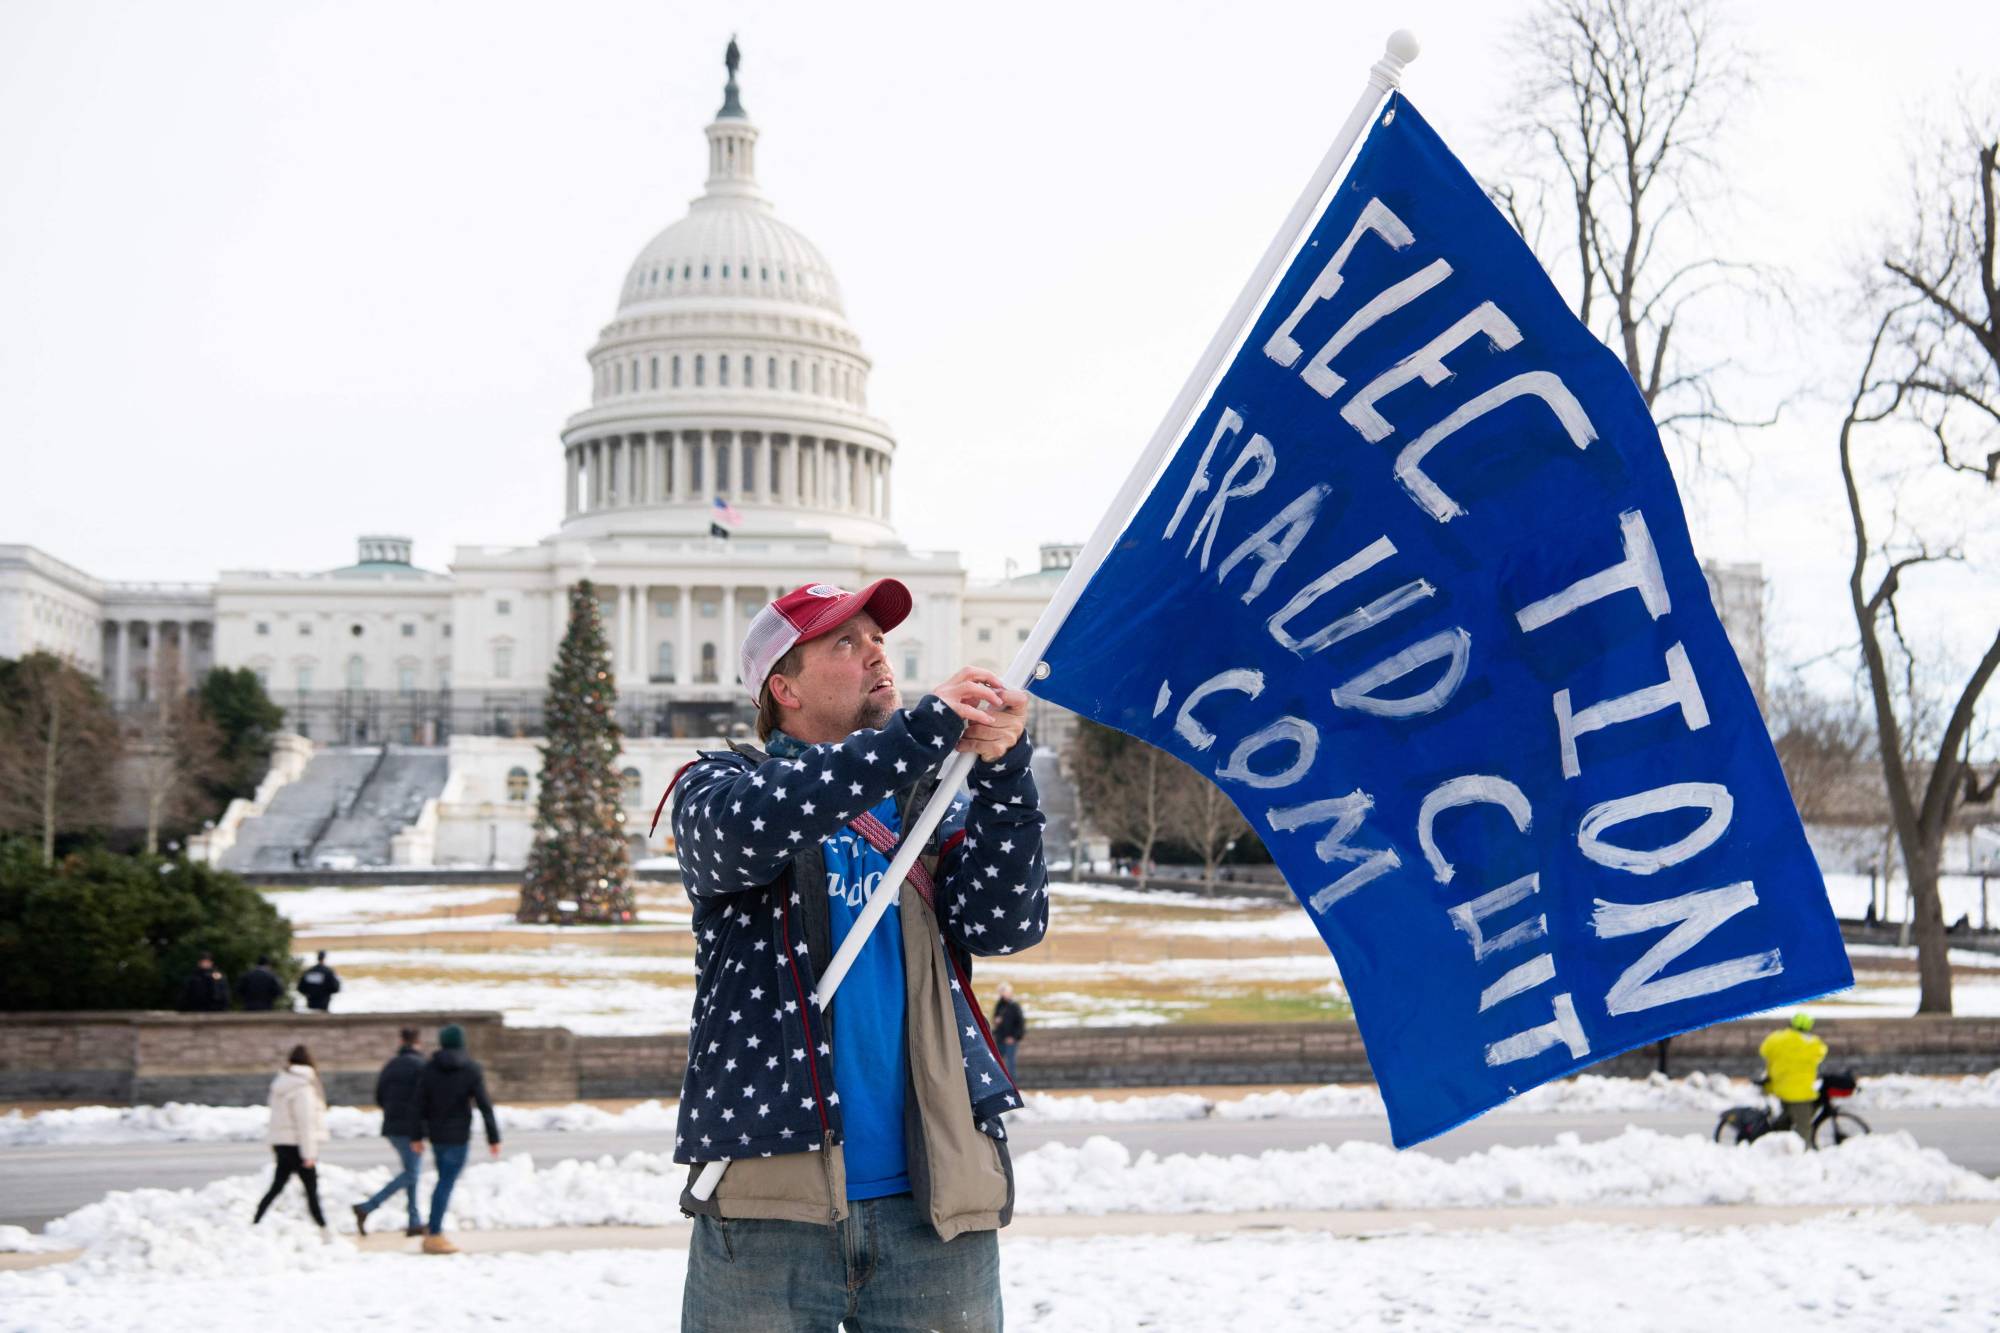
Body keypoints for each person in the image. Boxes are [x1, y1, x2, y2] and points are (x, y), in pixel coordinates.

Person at [667, 579, 1048, 1331]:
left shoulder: (930, 806)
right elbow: (764, 821)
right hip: (769, 1206)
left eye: (877, 638)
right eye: (845, 642)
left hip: (933, 1204)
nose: (877, 652)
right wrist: (918, 734)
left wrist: (1004, 774)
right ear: (785, 688)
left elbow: (1007, 923)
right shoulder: (717, 790)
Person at [403, 1024, 501, 1253]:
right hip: (459, 1135)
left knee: (443, 1180)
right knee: (445, 1183)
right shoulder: (471, 1069)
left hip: (437, 1135)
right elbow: (484, 1105)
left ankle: (434, 1230)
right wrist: (493, 1137)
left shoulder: (429, 1068)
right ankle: (434, 1234)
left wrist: (416, 1135)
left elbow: (417, 1105)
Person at [351, 1026, 426, 1238]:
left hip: (392, 1126)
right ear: (417, 1042)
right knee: (411, 1173)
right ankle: (367, 1207)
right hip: (413, 1129)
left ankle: (414, 1221)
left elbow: (379, 1096)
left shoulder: (391, 1065)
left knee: (411, 1172)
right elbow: (425, 1099)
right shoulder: (422, 1066)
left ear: (401, 1042)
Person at [252, 1044, 329, 1233]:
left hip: (282, 1142)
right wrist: (309, 1154)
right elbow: (306, 1123)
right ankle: (323, 1228)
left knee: (277, 1186)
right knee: (311, 1190)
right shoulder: (303, 1087)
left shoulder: (281, 1082)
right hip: (297, 1144)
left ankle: (256, 1220)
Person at [1759, 1011, 1828, 1147]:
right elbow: (1822, 1052)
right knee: (1804, 1125)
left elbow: (1764, 1051)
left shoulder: (1776, 1038)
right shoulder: (1812, 1042)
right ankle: (1801, 1152)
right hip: (1800, 1091)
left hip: (1778, 1087)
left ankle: (1778, 1145)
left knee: (1786, 1119)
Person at [992, 983, 1026, 1082]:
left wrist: (1014, 1037)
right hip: (999, 1039)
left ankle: (1012, 1085)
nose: (1002, 994)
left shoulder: (1015, 1006)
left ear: (1010, 993)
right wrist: (996, 1021)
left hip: (1011, 1040)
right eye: (1001, 992)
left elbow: (1021, 1024)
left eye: (1004, 992)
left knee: (1010, 1065)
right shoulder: (999, 1005)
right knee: (997, 1063)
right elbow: (995, 1018)